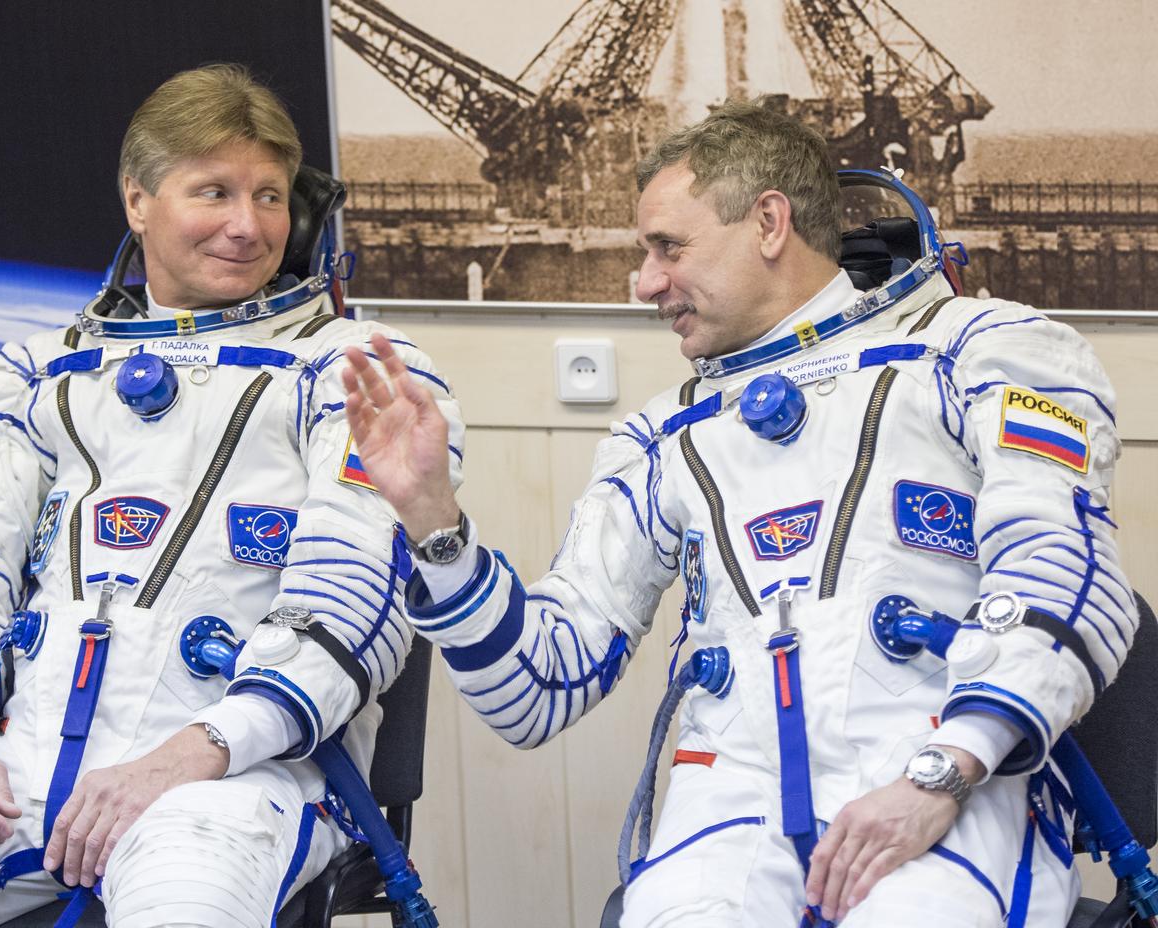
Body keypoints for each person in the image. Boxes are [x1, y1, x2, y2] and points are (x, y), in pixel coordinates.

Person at [342, 101, 1137, 927]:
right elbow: (538, 689)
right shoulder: (661, 437)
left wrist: (943, 773)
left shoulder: (985, 351)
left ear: (768, 222)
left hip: (945, 781)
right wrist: (434, 522)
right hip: (730, 805)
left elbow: (1067, 571)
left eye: (667, 247)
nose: (644, 283)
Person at [0, 64, 463, 926]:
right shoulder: (32, 375)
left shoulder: (362, 373)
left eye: (269, 196)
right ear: (137, 200)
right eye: (214, 192)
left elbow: (348, 614)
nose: (246, 225)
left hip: (232, 781)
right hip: (16, 776)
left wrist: (188, 757)